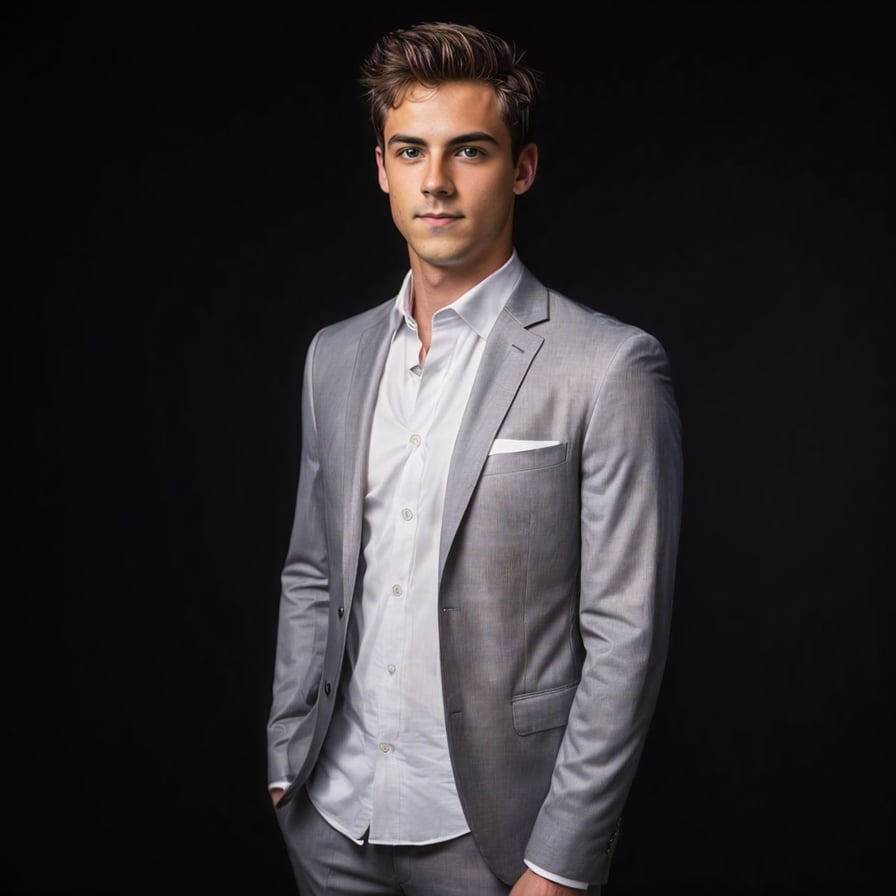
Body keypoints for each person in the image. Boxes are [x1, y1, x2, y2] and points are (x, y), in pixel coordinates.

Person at [267, 20, 683, 896]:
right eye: (410, 150)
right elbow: (312, 572)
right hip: (332, 817)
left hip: (497, 839)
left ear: (521, 168)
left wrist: (561, 863)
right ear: (382, 168)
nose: (437, 182)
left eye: (471, 151)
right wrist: (284, 760)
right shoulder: (331, 357)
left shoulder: (608, 367)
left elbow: (626, 640)